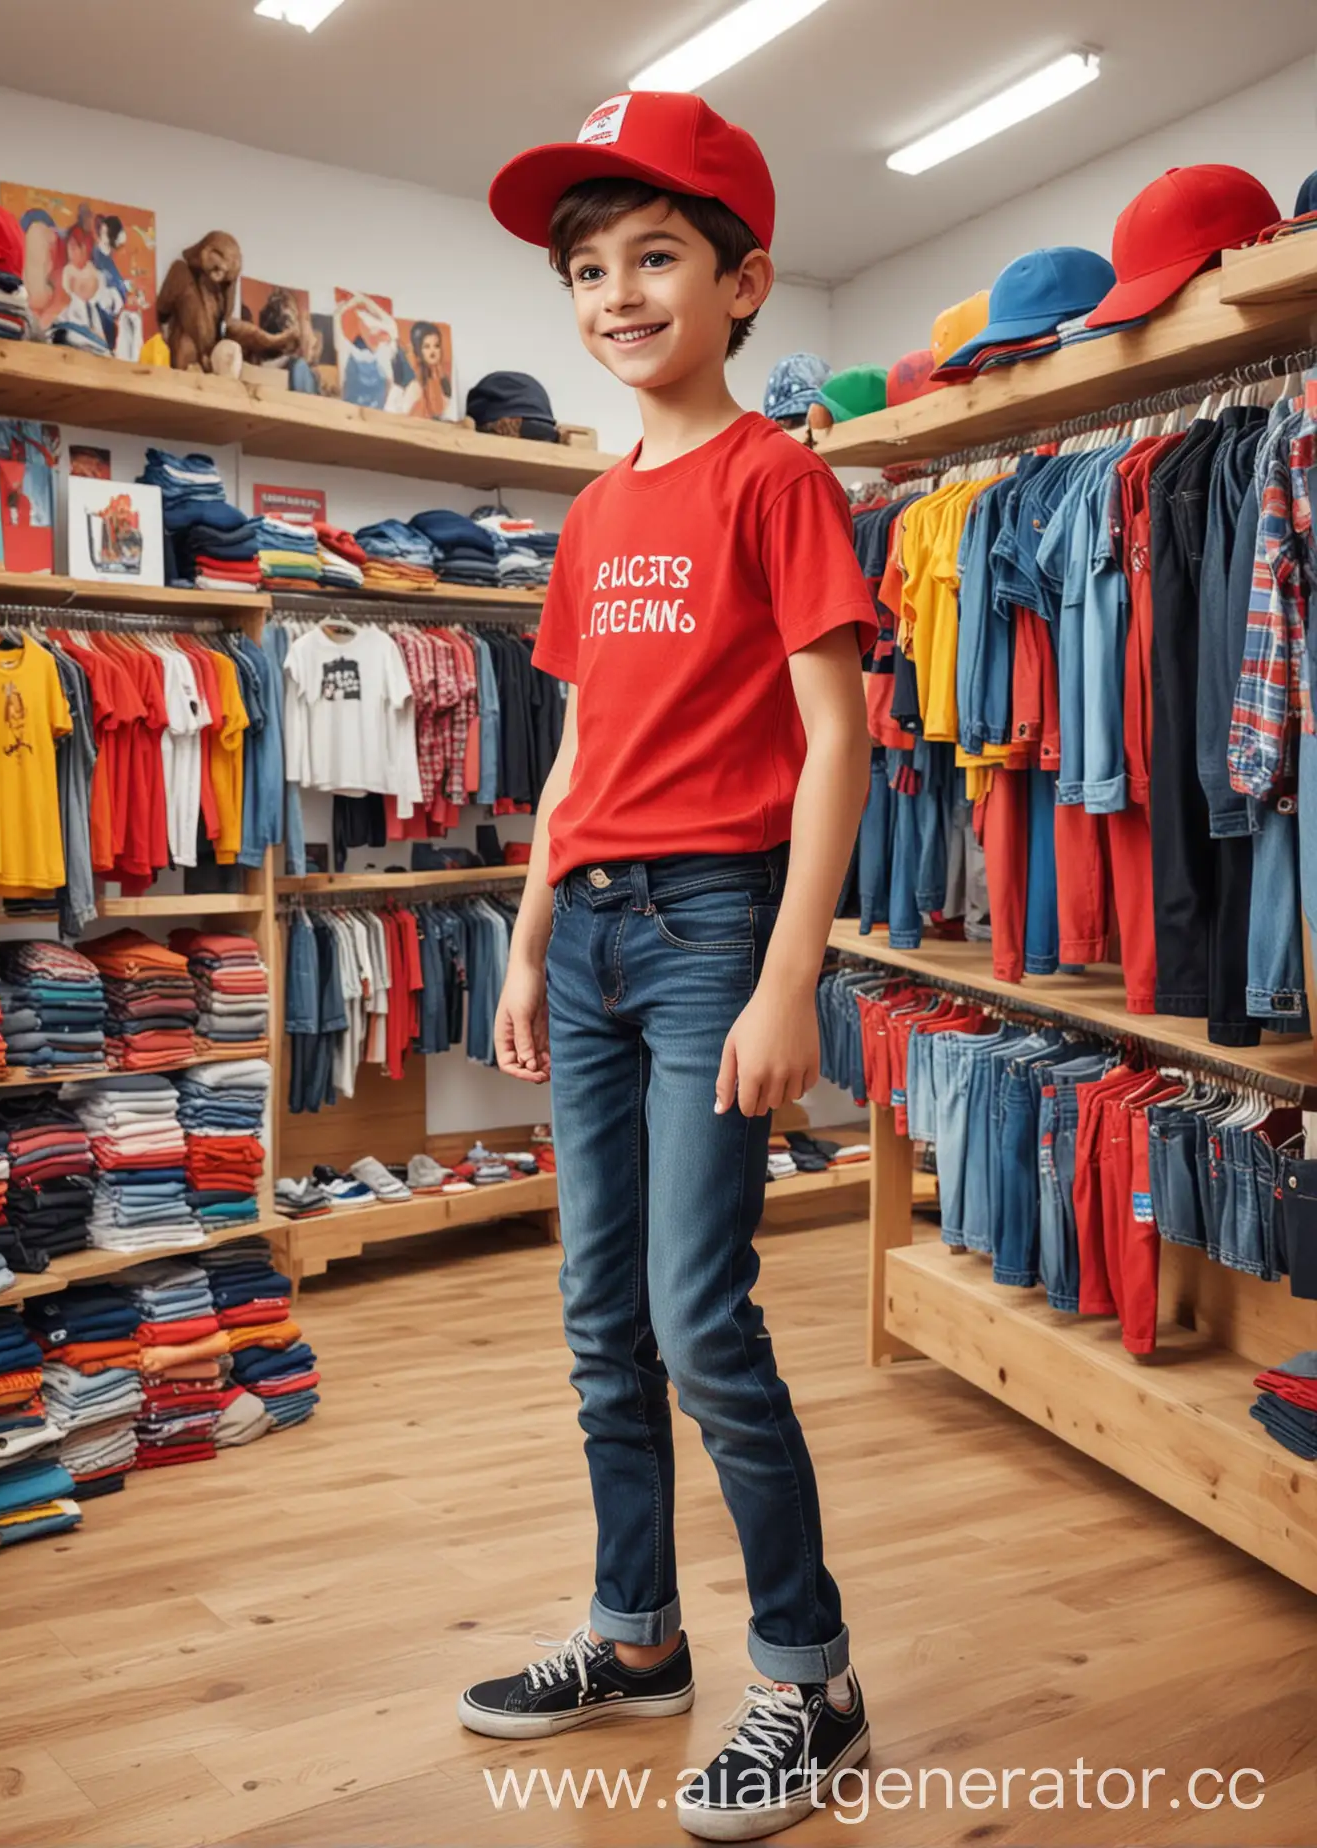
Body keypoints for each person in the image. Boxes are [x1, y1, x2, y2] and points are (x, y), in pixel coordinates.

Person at [456, 92, 876, 1842]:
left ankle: (812, 1674)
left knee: (702, 1314)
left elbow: (837, 739)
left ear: (742, 280)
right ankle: (637, 1635)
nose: (616, 294)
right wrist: (532, 933)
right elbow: (574, 748)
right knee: (594, 1316)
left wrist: (790, 978)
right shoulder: (587, 507)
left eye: (655, 257)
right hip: (602, 926)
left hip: (717, 924)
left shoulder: (776, 477)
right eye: (588, 269)